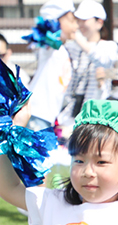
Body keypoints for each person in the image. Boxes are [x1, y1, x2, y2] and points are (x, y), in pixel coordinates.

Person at [58, 0, 118, 123]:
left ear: (99, 22)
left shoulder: (109, 46)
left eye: (84, 20)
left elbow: (103, 61)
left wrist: (76, 37)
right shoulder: (71, 47)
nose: (80, 24)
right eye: (78, 20)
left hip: (95, 113)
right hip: (69, 112)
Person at [25, 0, 78, 131]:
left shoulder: (63, 50)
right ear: (56, 22)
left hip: (47, 116)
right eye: (71, 21)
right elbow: (45, 41)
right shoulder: (50, 48)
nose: (76, 26)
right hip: (37, 113)